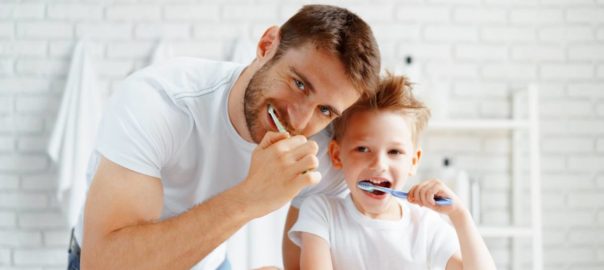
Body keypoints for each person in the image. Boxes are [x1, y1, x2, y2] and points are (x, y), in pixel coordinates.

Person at [69, 4, 381, 270]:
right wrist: (249, 198)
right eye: (299, 84)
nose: (299, 119)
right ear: (266, 45)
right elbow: (103, 261)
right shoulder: (160, 102)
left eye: (325, 110)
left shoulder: (326, 149)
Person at [288, 74, 497, 270]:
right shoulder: (321, 212)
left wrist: (460, 215)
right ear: (336, 155)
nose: (379, 164)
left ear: (413, 161)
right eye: (362, 149)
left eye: (394, 152)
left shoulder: (425, 224)